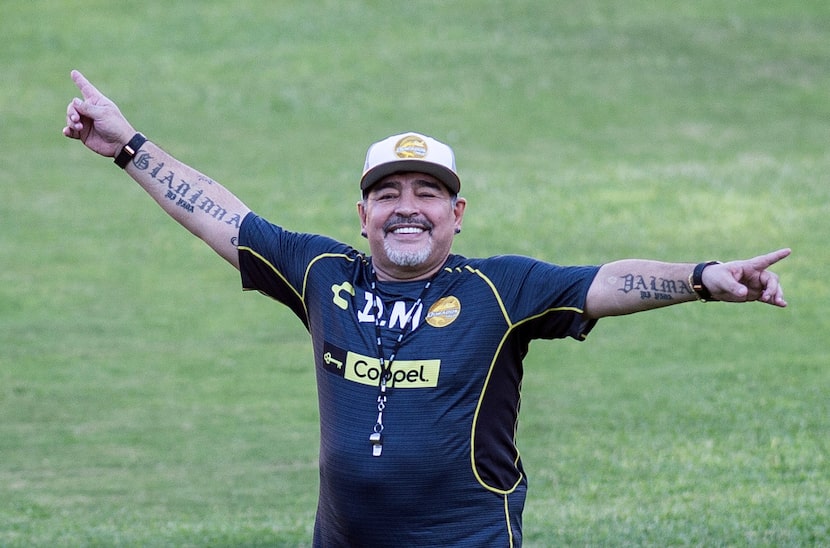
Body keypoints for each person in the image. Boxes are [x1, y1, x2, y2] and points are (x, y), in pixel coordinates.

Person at [63, 69, 790, 547]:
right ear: (363, 212)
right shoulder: (321, 273)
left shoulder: (499, 290)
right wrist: (127, 145)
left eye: (427, 193)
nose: (406, 209)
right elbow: (218, 212)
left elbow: (604, 281)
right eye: (388, 194)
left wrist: (701, 276)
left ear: (456, 211)